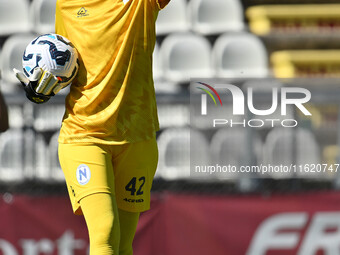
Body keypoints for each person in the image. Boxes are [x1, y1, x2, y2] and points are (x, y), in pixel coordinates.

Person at [15, 0, 170, 254]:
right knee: (105, 232)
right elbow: (67, 62)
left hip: (137, 137)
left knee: (122, 246)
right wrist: (44, 86)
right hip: (83, 135)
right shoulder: (66, 4)